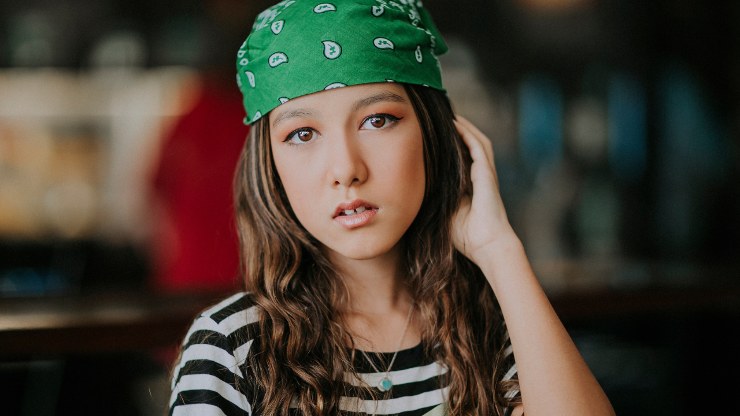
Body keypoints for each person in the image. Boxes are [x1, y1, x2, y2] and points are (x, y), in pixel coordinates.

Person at [169, 1, 615, 415]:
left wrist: (499, 250)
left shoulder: (495, 328)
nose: (346, 169)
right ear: (270, 166)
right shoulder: (230, 349)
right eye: (302, 134)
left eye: (377, 120)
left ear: (435, 134)